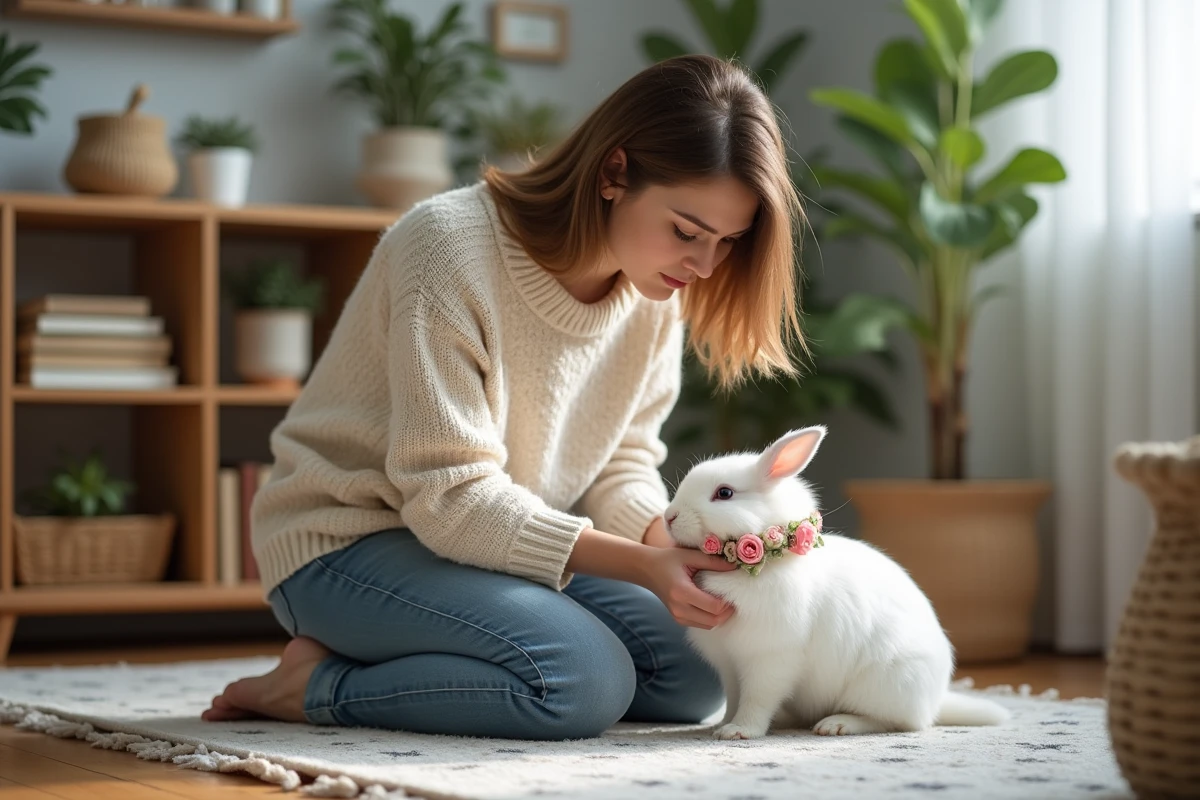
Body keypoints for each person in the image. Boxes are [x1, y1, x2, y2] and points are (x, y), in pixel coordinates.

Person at [202, 53, 806, 741]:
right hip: (346, 544)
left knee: (698, 673)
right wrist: (643, 565)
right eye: (688, 231)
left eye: (727, 243)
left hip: (482, 547)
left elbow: (624, 460)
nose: (703, 266)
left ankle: (407, 642)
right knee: (581, 681)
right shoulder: (446, 246)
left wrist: (677, 548)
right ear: (615, 174)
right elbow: (451, 496)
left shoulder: (656, 288)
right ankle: (313, 685)